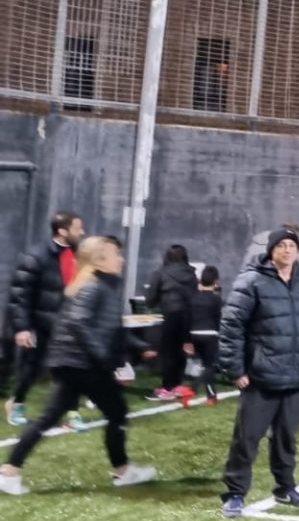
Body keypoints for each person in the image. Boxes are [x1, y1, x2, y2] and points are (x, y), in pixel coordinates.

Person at [0, 236, 157, 497]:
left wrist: (139, 346)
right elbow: (78, 323)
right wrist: (102, 356)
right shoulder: (94, 287)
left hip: (73, 362)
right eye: (116, 254)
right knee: (117, 411)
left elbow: (112, 328)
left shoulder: (101, 286)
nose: (121, 259)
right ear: (100, 261)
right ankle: (122, 471)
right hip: (82, 364)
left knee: (50, 417)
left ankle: (9, 472)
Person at [218, 227, 299, 518]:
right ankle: (235, 493)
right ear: (271, 250)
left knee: (286, 438)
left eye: (292, 245)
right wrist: (236, 368)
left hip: (297, 378)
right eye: (282, 245)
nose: (287, 250)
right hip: (261, 378)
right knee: (247, 439)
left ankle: (285, 487)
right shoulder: (251, 281)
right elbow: (231, 326)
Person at [5, 211, 85, 427]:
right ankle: (17, 402)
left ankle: (72, 413)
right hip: (40, 325)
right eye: (78, 228)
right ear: (62, 231)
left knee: (72, 368)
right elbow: (20, 295)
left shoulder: (80, 255)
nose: (82, 232)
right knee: (31, 369)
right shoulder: (35, 256)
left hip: (69, 324)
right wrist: (22, 327)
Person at [145, 245, 199, 401]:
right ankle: (176, 385)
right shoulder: (192, 274)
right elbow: (194, 295)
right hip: (188, 314)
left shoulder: (161, 273)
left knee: (168, 352)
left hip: (171, 313)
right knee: (181, 351)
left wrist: (155, 302)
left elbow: (150, 298)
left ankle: (167, 387)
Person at [187, 265, 224, 406]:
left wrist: (187, 339)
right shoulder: (216, 299)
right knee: (211, 366)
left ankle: (211, 396)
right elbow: (218, 319)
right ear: (216, 281)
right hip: (210, 335)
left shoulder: (193, 298)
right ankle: (192, 387)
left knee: (206, 365)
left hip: (194, 334)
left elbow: (188, 318)